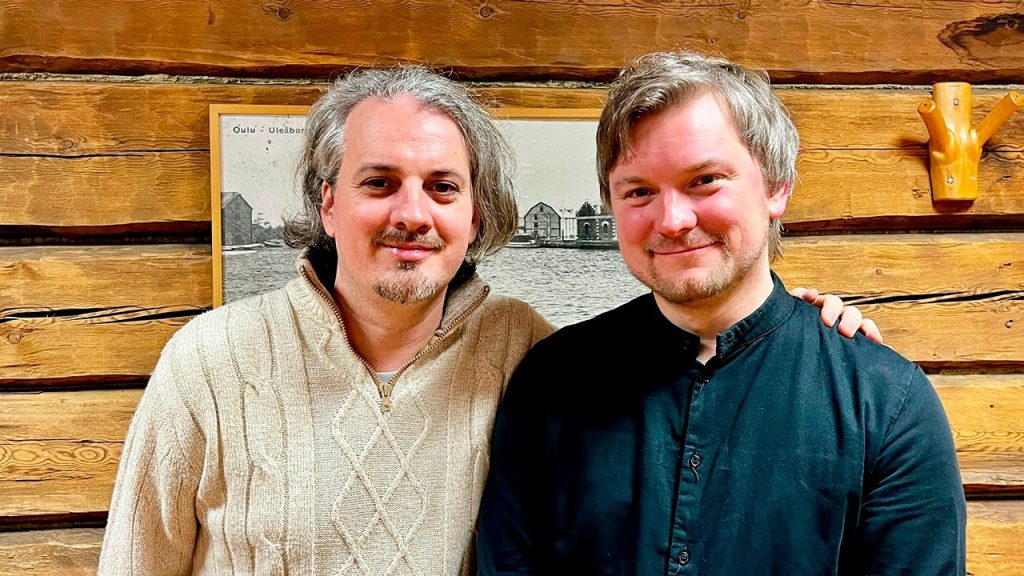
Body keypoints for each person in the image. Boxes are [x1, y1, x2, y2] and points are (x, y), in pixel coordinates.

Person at [99, 65, 877, 575]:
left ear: (476, 215)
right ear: (327, 201)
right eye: (379, 182)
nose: (413, 213)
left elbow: (698, 354)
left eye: (443, 187)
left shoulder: (528, 354)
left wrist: (809, 332)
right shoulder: (209, 362)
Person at [476, 51, 966, 575]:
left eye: (704, 180)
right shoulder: (552, 379)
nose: (672, 219)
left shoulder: (885, 400)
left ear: (777, 186)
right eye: (639, 190)